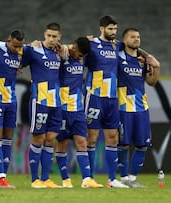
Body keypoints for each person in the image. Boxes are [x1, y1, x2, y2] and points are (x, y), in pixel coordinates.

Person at [84, 15, 129, 188]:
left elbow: (135, 48)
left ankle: (112, 179)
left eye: (115, 29)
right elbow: (77, 55)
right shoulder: (91, 44)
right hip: (94, 96)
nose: (113, 32)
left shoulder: (118, 45)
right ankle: (89, 178)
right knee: (92, 138)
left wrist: (149, 57)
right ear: (101, 28)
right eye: (110, 29)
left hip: (111, 98)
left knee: (113, 137)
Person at [55, 37, 103, 188]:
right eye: (80, 55)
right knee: (62, 143)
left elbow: (91, 39)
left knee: (82, 142)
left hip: (78, 108)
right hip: (62, 107)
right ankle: (65, 180)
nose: (81, 59)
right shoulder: (62, 54)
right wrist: (65, 46)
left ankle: (87, 179)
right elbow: (51, 46)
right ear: (74, 49)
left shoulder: (81, 55)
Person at [21, 23, 63, 189]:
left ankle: (46, 179)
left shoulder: (61, 53)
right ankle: (34, 180)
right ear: (44, 35)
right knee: (38, 138)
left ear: (59, 37)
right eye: (48, 36)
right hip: (40, 101)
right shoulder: (34, 50)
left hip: (56, 102)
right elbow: (18, 59)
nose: (51, 39)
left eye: (54, 36)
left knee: (50, 139)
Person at [117, 28, 160, 188]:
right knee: (123, 144)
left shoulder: (143, 61)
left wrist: (156, 67)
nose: (136, 39)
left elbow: (151, 82)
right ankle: (123, 179)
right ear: (124, 40)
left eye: (138, 37)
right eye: (132, 37)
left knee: (142, 144)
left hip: (142, 108)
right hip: (123, 107)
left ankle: (132, 178)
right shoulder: (118, 57)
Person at [0, 29, 25, 188]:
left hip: (11, 101)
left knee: (8, 138)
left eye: (19, 47)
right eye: (15, 46)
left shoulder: (21, 53)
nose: (17, 49)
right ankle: (1, 177)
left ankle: (3, 178)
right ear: (9, 40)